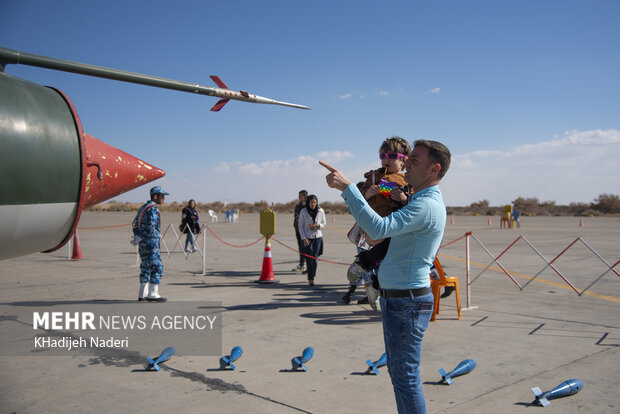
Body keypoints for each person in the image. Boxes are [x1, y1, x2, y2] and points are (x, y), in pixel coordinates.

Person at [322, 139, 451, 414]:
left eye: (414, 160)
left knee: (405, 379)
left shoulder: (424, 206)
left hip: (406, 303)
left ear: (434, 169)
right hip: (399, 300)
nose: (406, 163)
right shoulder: (417, 200)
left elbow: (379, 228)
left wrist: (348, 188)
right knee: (401, 375)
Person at [344, 136, 411, 306]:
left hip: (395, 224)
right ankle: (364, 266)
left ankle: (375, 283)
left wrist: (404, 199)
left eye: (392, 156)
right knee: (379, 253)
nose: (386, 160)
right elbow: (359, 198)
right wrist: (368, 194)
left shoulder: (409, 179)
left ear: (404, 160)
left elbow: (416, 203)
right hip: (373, 223)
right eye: (382, 156)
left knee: (388, 259)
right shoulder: (374, 177)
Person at [131, 185, 169, 302]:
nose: (164, 199)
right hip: (151, 243)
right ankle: (153, 294)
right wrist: (153, 240)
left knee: (145, 267)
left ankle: (142, 294)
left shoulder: (143, 207)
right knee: (157, 267)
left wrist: (138, 235)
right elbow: (151, 227)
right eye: (162, 196)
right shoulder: (153, 208)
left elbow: (134, 223)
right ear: (155, 196)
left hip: (142, 243)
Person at [297, 194, 326, 286]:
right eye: (311, 202)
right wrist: (304, 238)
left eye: (314, 202)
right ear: (308, 202)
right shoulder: (303, 211)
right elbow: (300, 226)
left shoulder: (321, 211)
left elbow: (324, 223)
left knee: (315, 259)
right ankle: (310, 278)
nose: (313, 204)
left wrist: (318, 225)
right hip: (307, 238)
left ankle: (312, 274)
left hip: (318, 238)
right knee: (309, 259)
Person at [293, 190, 308, 272]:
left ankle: (308, 265)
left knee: (306, 247)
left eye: (301, 196)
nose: (299, 197)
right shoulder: (298, 205)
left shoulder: (308, 205)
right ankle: (302, 264)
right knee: (300, 247)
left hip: (305, 231)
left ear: (305, 196)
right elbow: (296, 217)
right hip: (297, 229)